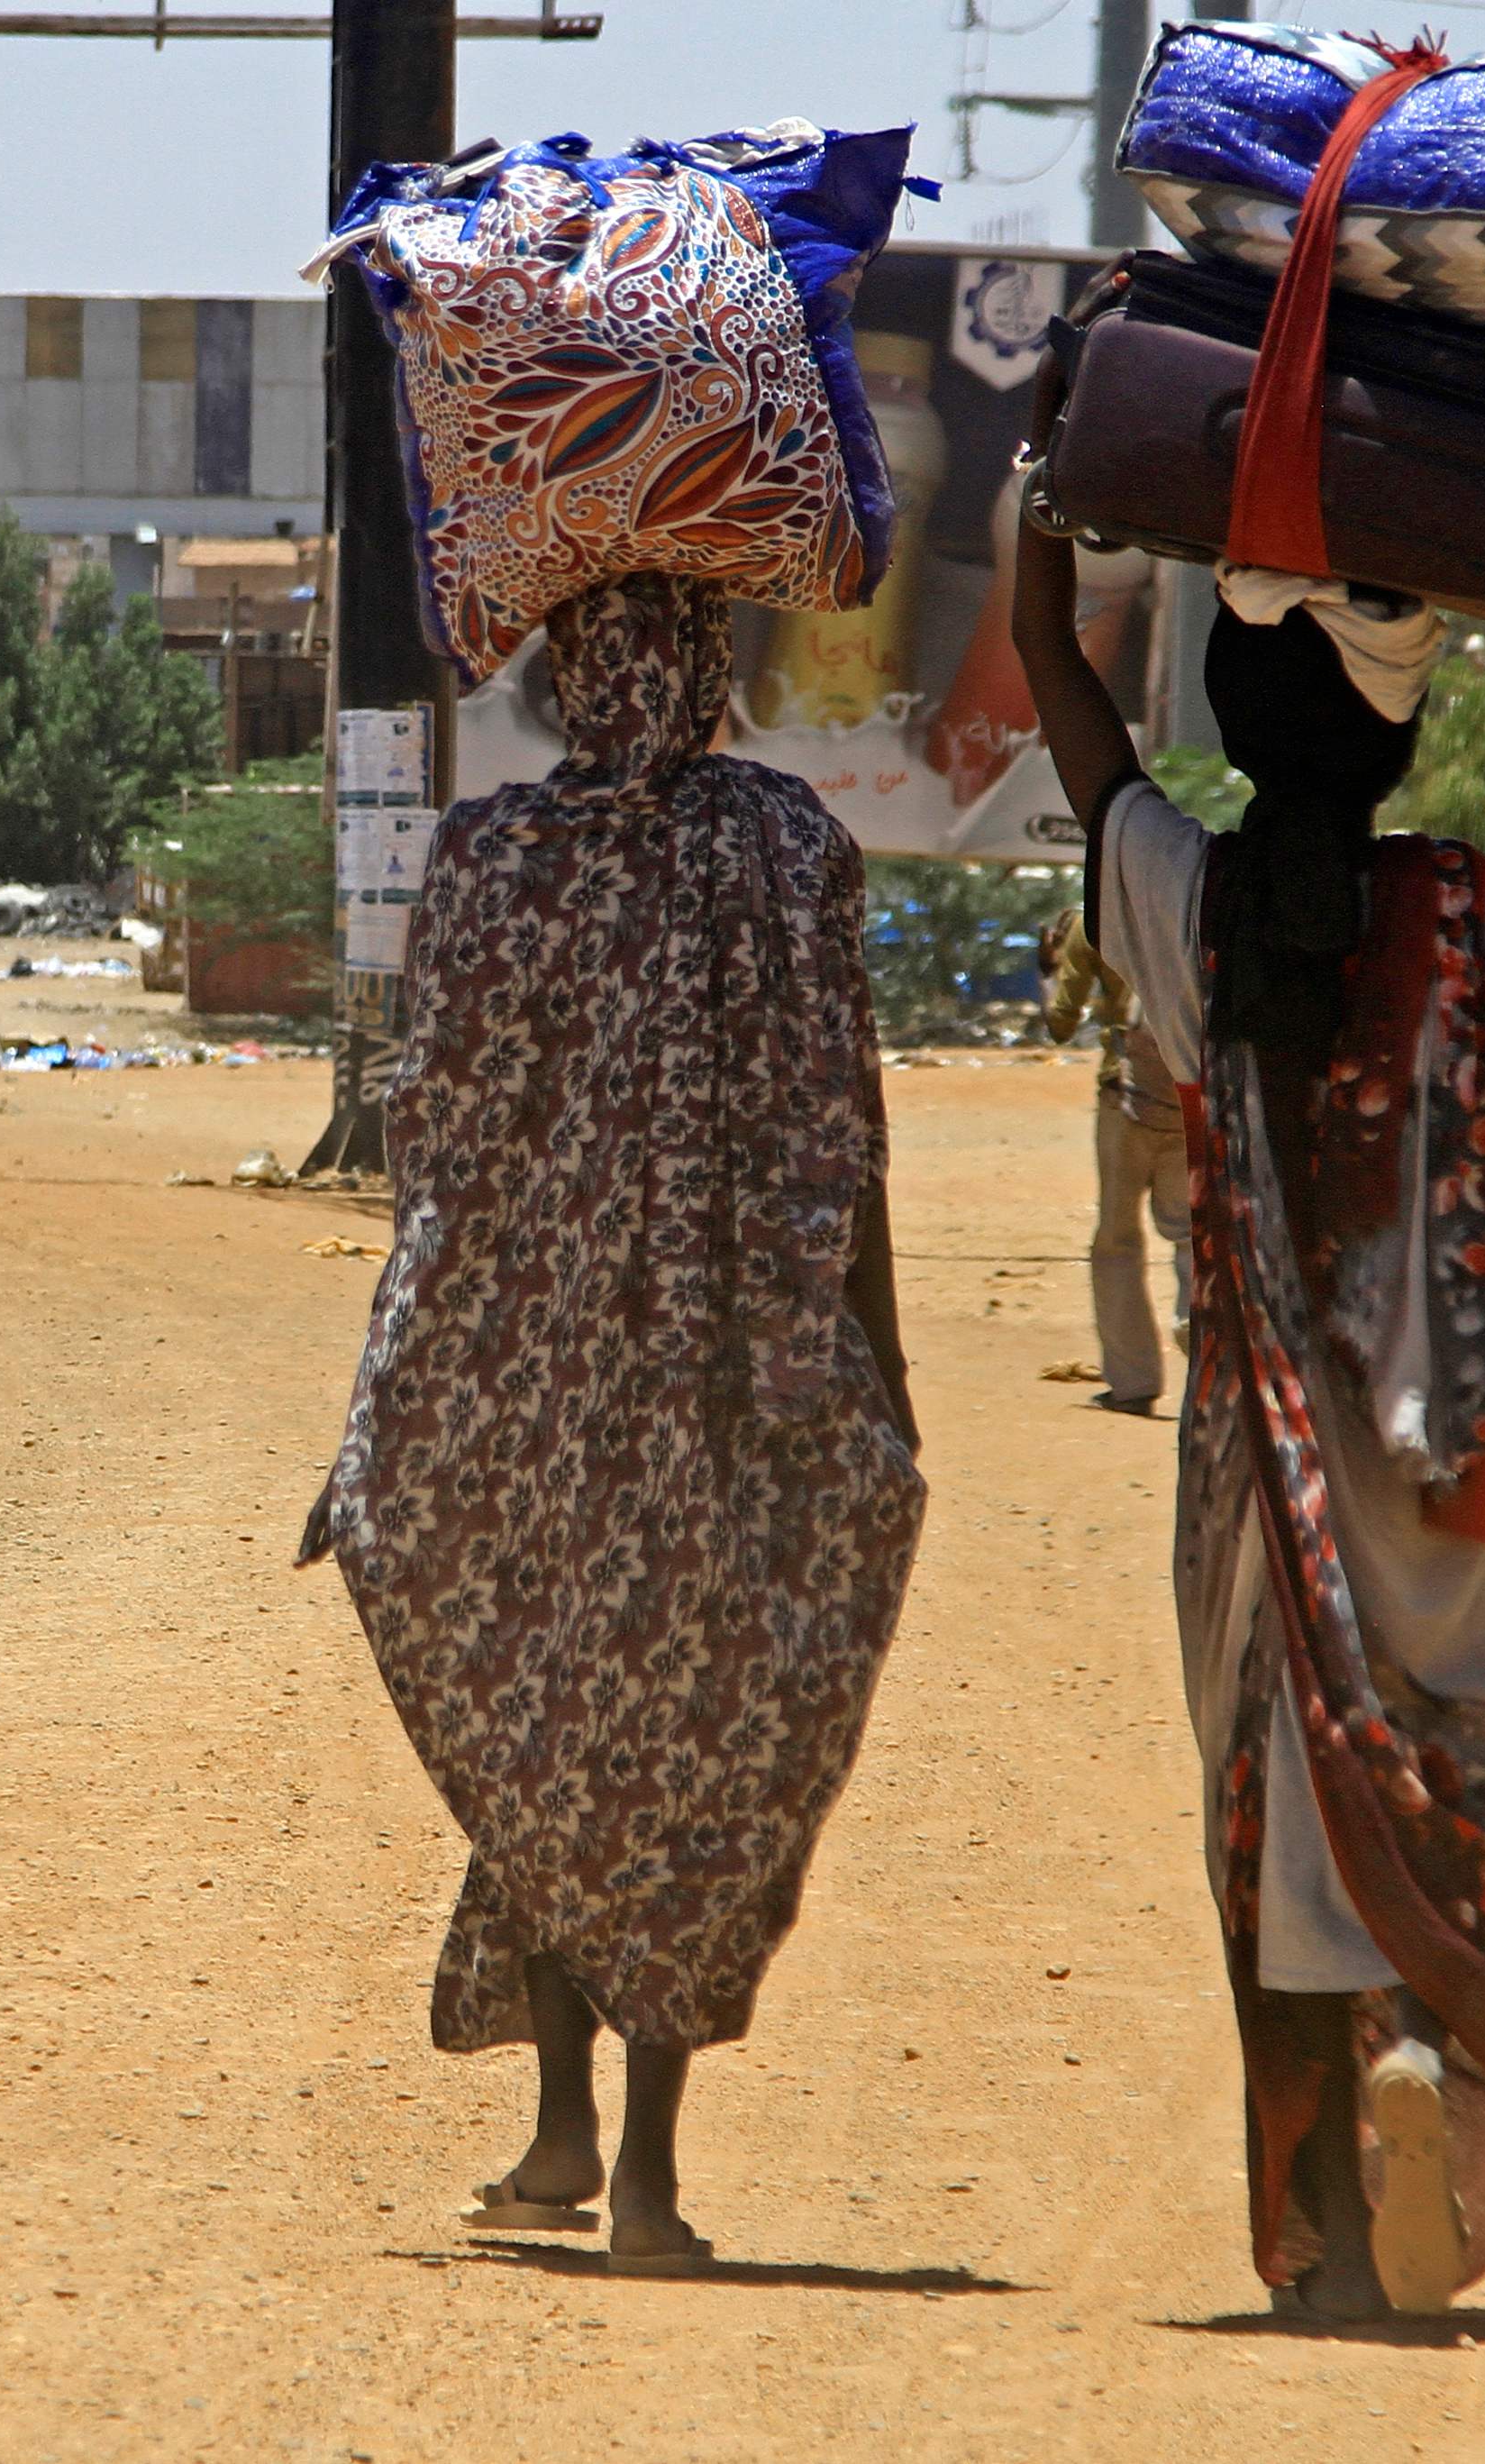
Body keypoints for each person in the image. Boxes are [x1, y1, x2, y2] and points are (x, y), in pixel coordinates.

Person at [1009, 437, 1485, 2321]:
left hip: (1265, 1456)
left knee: (1282, 1799)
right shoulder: (1483, 915)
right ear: (1394, 741)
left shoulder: (1175, 898)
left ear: (1235, 709)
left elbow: (1059, 691)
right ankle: (1446, 2063)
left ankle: (1323, 2200)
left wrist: (1046, 504)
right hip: (1468, 1448)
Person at [302, 573, 926, 2276]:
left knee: (549, 1722)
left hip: (508, 1393)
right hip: (721, 1389)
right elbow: (840, 1127)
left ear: (565, 673)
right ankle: (631, 2160)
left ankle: (566, 2117)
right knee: (682, 1744)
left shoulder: (488, 854)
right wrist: (878, 1363)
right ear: (709, 670)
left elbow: (429, 1142)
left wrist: (389, 1392)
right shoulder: (786, 845)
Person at [1041, 904, 1191, 1416]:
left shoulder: (1095, 920)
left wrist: (1049, 973)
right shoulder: (1187, 902)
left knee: (1117, 1240)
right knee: (1193, 1234)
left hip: (1125, 1101)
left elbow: (1062, 1023)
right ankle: (1201, 1330)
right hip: (1192, 1098)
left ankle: (1132, 1383)